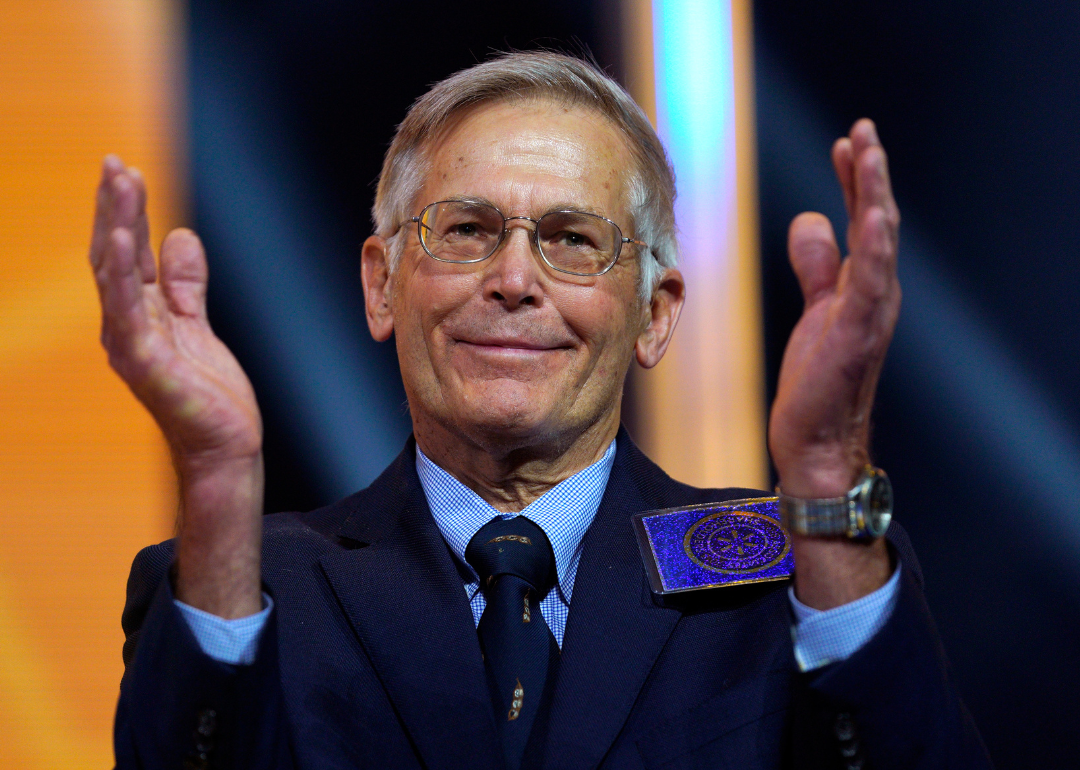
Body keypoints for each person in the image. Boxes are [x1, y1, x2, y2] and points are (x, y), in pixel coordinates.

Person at [95, 52, 989, 769]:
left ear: (656, 312)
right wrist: (216, 480)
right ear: (381, 286)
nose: (515, 280)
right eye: (467, 230)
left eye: (571, 240)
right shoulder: (254, 585)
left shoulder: (788, 567)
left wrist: (828, 481)